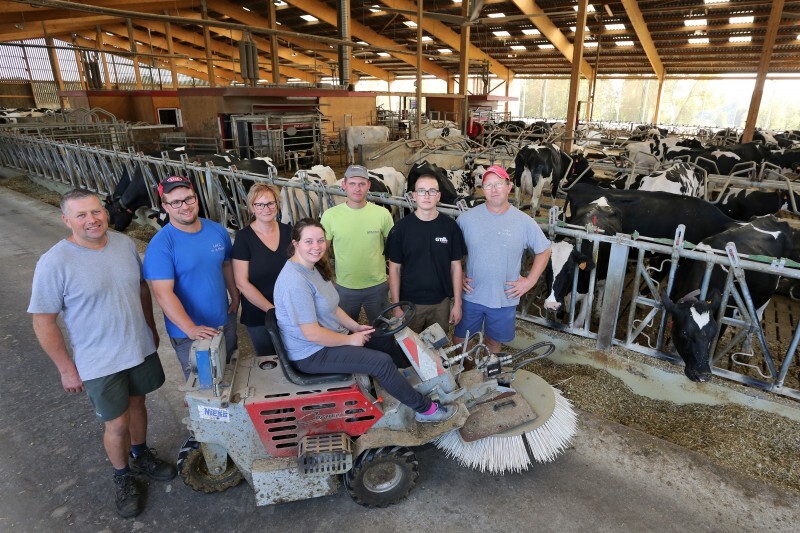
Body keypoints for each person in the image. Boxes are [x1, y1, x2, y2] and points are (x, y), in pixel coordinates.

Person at [28, 189, 176, 519]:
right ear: (66, 220)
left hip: (137, 346)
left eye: (96, 211)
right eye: (81, 215)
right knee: (117, 421)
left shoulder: (124, 244)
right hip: (99, 359)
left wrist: (150, 326)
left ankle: (141, 453)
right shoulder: (55, 262)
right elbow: (43, 320)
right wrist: (66, 368)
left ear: (106, 212)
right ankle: (122, 475)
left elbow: (140, 286)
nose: (92, 220)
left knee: (138, 404)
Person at [273, 219, 456, 423]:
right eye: (309, 241)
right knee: (381, 363)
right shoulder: (295, 281)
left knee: (384, 338)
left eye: (320, 240)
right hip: (312, 353)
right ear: (295, 243)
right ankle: (426, 410)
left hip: (328, 339)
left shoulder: (313, 267)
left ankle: (406, 381)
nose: (316, 247)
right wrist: (350, 340)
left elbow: (332, 307)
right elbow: (312, 334)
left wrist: (356, 327)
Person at [143, 176, 239, 379]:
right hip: (189, 333)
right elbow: (162, 293)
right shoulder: (161, 245)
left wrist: (235, 294)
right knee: (203, 385)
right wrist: (190, 328)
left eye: (188, 199)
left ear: (196, 198)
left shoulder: (217, 230)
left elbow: (226, 264)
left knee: (231, 375)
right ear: (165, 207)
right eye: (176, 202)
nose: (185, 206)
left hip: (224, 320)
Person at [453, 165, 552, 354]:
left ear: (509, 187)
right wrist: (459, 275)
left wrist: (530, 281)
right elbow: (452, 253)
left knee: (493, 341)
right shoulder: (466, 219)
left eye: (498, 184)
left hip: (504, 298)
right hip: (472, 295)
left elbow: (544, 250)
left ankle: (487, 371)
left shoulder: (524, 221)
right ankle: (467, 369)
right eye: (488, 185)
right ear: (483, 190)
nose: (494, 189)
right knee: (460, 340)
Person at [385, 174, 466, 333]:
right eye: (421, 191)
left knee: (436, 344)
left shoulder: (451, 227)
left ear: (439, 196)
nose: (427, 195)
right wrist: (396, 306)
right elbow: (394, 269)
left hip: (441, 303)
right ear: (414, 195)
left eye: (432, 191)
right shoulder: (400, 229)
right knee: (410, 346)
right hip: (410, 303)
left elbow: (456, 267)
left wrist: (457, 304)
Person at [320, 164, 393, 324]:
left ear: (369, 185)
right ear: (344, 185)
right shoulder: (330, 216)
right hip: (345, 287)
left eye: (361, 184)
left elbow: (394, 249)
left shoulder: (383, 214)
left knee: (382, 329)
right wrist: (328, 280)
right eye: (352, 183)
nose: (357, 188)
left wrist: (392, 281)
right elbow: (322, 250)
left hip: (377, 286)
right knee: (345, 329)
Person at [232, 183, 292, 356]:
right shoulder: (243, 238)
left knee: (294, 358)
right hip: (259, 315)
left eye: (270, 203)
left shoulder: (289, 232)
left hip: (290, 310)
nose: (266, 209)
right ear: (252, 207)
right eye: (260, 204)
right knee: (268, 361)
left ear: (277, 205)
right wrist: (273, 311)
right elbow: (241, 283)